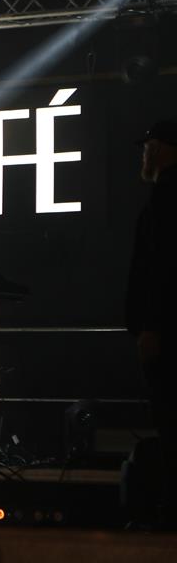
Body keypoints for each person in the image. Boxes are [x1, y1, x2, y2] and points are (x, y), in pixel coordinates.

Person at [124, 120, 177, 518]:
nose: (143, 153)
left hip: (166, 335)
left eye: (148, 145)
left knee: (170, 420)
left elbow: (162, 268)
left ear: (160, 148)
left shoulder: (166, 197)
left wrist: (152, 327)